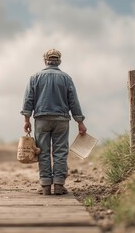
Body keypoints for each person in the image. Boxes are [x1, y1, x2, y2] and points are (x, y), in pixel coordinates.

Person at [20, 48, 87, 195]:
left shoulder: (34, 77)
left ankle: (45, 186)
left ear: (45, 61)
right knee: (60, 152)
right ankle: (58, 185)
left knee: (42, 152)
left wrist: (27, 119)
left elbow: (28, 100)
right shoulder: (66, 78)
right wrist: (79, 122)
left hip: (41, 120)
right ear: (59, 61)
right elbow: (73, 102)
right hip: (61, 120)